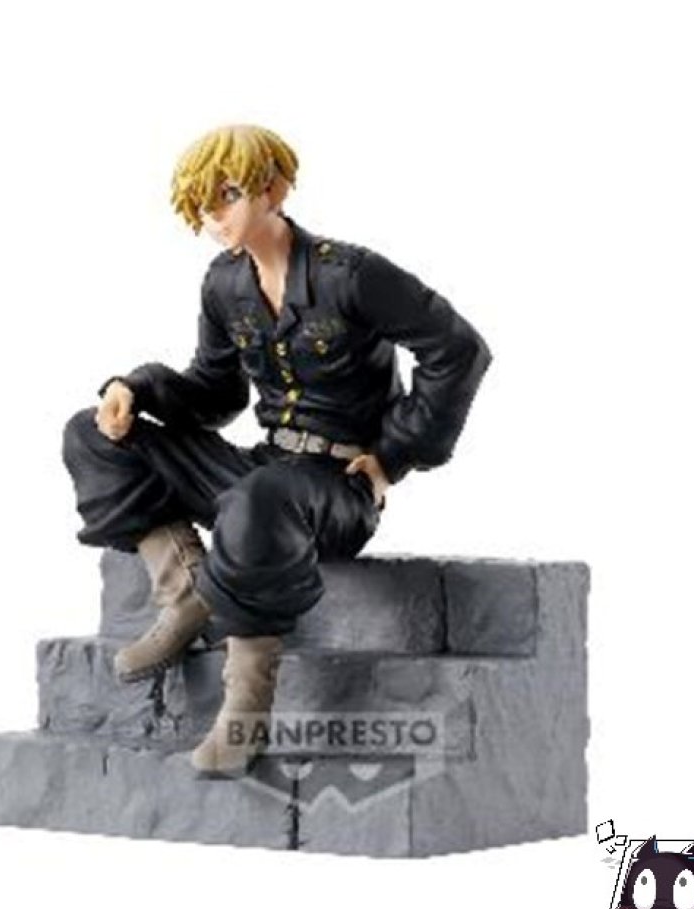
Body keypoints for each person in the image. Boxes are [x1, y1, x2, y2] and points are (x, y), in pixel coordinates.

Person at [62, 124, 491, 776]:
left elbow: (457, 350)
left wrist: (394, 455)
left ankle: (245, 705)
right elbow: (215, 392)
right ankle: (187, 596)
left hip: (336, 487)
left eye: (227, 195)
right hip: (264, 469)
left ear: (275, 189)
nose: (215, 216)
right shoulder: (224, 284)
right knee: (91, 433)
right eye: (202, 204)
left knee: (258, 499)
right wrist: (135, 389)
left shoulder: (350, 275)